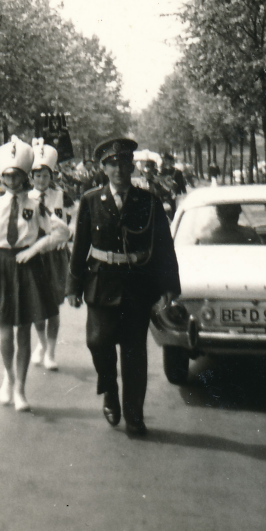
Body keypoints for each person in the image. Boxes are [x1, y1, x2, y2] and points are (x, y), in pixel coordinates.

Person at [67, 137, 181, 436]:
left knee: (133, 352)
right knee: (97, 342)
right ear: (103, 168)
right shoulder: (91, 201)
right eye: (112, 164)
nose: (119, 170)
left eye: (124, 164)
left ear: (132, 166)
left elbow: (164, 247)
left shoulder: (149, 201)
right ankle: (108, 388)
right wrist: (73, 286)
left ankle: (134, 414)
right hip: (101, 282)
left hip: (136, 285)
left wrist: (170, 285)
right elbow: (80, 246)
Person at [0, 139, 69, 413]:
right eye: (6, 176)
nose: (11, 181)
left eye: (16, 176)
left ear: (25, 177)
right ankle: (8, 377)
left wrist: (36, 248)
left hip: (27, 268)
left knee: (24, 330)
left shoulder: (36, 206)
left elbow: (60, 232)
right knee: (5, 333)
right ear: (0, 177)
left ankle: (21, 389)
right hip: (1, 267)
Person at [29, 140, 75, 371]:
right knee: (37, 306)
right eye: (37, 176)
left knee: (53, 306)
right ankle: (41, 343)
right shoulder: (25, 198)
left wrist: (70, 233)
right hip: (36, 255)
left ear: (51, 175)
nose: (41, 180)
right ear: (31, 177)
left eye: (45, 175)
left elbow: (76, 215)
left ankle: (51, 352)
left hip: (55, 256)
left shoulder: (61, 196)